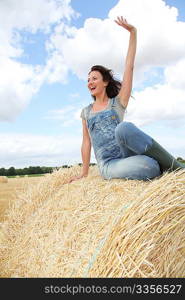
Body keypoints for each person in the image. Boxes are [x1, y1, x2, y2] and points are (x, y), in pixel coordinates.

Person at [69, 16, 185, 183]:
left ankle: (178, 169)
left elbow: (129, 66)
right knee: (150, 166)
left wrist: (133, 33)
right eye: (88, 80)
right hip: (109, 164)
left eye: (94, 78)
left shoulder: (117, 103)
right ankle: (161, 168)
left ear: (105, 82)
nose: (90, 82)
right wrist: (84, 173)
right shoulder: (86, 112)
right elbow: (86, 142)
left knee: (123, 128)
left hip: (127, 153)